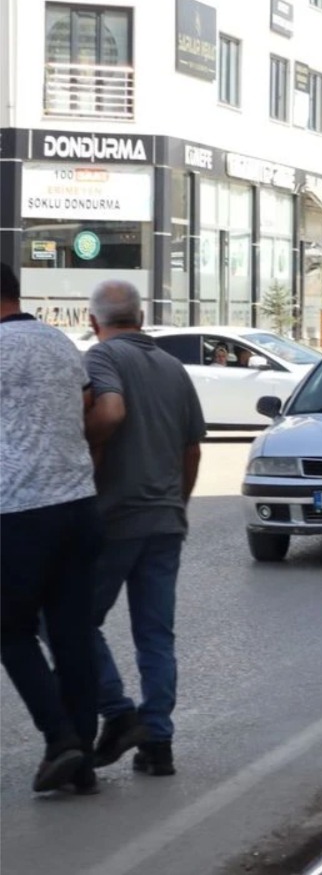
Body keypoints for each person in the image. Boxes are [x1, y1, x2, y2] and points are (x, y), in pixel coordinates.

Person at [83, 279, 205, 778]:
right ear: (142, 315)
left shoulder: (101, 360)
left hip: (116, 519)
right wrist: (178, 503)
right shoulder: (174, 368)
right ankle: (158, 743)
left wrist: (84, 440)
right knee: (155, 635)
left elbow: (110, 412)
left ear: (94, 322)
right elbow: (192, 448)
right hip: (164, 520)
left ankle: (119, 710)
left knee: (73, 622)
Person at [0, 264, 104, 795]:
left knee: (11, 631)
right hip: (79, 506)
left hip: (19, 512)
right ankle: (80, 763)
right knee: (72, 637)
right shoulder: (59, 342)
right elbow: (88, 405)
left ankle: (59, 736)